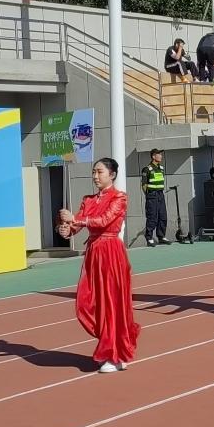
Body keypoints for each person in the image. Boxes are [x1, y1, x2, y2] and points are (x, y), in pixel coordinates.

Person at [56, 157, 140, 373]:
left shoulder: (119, 197)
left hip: (111, 253)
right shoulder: (88, 200)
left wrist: (75, 219)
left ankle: (113, 354)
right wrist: (66, 229)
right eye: (94, 172)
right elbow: (77, 225)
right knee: (88, 303)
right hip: (94, 254)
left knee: (111, 304)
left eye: (100, 172)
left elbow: (103, 220)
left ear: (112, 175)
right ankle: (115, 348)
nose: (95, 176)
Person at [140, 148, 170, 246]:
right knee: (152, 216)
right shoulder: (147, 169)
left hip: (160, 194)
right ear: (153, 156)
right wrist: (148, 195)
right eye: (159, 154)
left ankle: (161, 236)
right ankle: (149, 238)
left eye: (161, 154)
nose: (161, 156)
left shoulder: (161, 168)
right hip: (152, 195)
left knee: (163, 216)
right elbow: (144, 184)